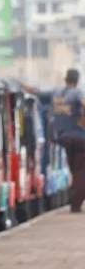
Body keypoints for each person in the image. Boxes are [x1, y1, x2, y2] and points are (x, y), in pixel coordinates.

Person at [51, 68, 85, 213]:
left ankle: (75, 200)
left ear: (66, 79)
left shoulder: (57, 93)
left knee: (74, 169)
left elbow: (37, 92)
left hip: (64, 137)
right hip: (80, 138)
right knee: (81, 171)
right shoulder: (77, 93)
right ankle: (75, 205)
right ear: (77, 80)